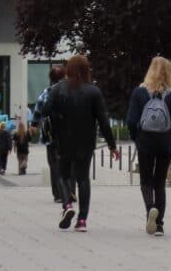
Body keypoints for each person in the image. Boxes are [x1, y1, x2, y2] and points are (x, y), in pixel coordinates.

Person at [42, 55, 119, 233]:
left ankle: (67, 205)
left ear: (68, 69)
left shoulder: (58, 88)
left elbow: (45, 110)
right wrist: (112, 145)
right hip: (86, 141)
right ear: (86, 70)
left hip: (63, 140)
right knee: (83, 178)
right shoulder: (93, 91)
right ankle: (82, 220)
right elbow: (104, 121)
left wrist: (57, 114)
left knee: (63, 174)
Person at [126, 56, 171, 237]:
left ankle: (150, 208)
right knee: (160, 183)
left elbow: (131, 121)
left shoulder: (139, 93)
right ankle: (159, 225)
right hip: (164, 142)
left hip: (145, 141)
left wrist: (137, 138)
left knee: (145, 181)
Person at [33, 65, 76, 203]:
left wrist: (34, 125)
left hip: (51, 135)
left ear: (50, 78)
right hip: (70, 134)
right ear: (64, 76)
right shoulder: (72, 91)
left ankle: (58, 194)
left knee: (54, 164)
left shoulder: (46, 92)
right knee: (70, 163)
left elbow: (38, 111)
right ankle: (71, 192)